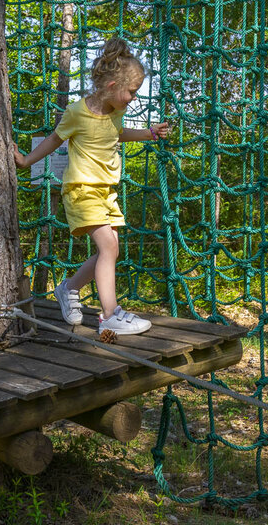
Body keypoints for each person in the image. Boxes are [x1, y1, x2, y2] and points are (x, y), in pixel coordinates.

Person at [14, 38, 172, 334]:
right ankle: (110, 314)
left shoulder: (115, 112)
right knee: (108, 246)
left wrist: (148, 133)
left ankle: (67, 289)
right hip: (81, 190)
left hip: (106, 192)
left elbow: (117, 133)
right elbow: (54, 139)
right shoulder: (77, 112)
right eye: (132, 92)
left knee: (111, 250)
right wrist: (24, 161)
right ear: (112, 85)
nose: (134, 99)